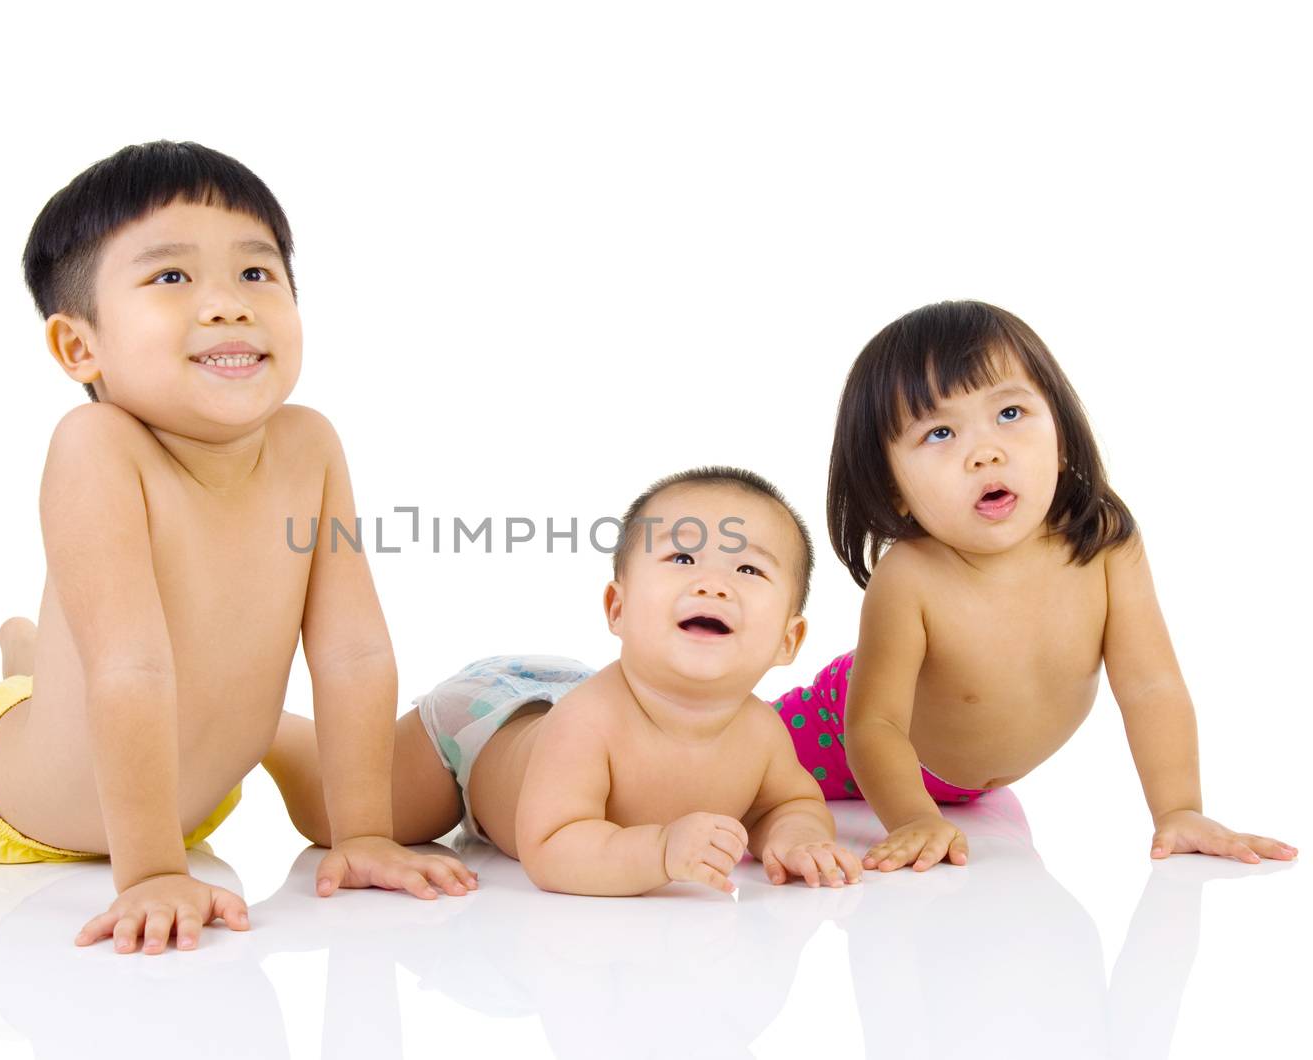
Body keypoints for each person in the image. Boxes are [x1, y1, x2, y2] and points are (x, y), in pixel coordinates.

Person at [0, 140, 475, 955]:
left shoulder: (311, 444)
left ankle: (31, 657)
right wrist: (153, 870)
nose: (228, 304)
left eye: (256, 274)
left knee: (86, 679)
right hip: (20, 803)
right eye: (171, 277)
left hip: (176, 780)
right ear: (79, 348)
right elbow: (127, 665)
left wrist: (363, 831)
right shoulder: (99, 446)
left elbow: (354, 650)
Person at [795, 299, 1297, 872]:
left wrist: (1179, 810)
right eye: (939, 432)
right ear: (894, 491)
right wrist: (913, 816)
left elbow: (1151, 686)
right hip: (833, 732)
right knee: (725, 762)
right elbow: (873, 723)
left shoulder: (1103, 542)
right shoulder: (910, 575)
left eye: (1009, 413)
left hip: (968, 794)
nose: (985, 452)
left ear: (1059, 434)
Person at [267, 467, 863, 894]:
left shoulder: (761, 731)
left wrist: (797, 835)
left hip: (554, 689)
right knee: (343, 813)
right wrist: (658, 852)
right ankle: (276, 732)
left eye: (748, 567)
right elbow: (551, 848)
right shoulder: (591, 723)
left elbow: (790, 801)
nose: (711, 584)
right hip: (476, 735)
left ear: (789, 640)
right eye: (681, 559)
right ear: (618, 609)